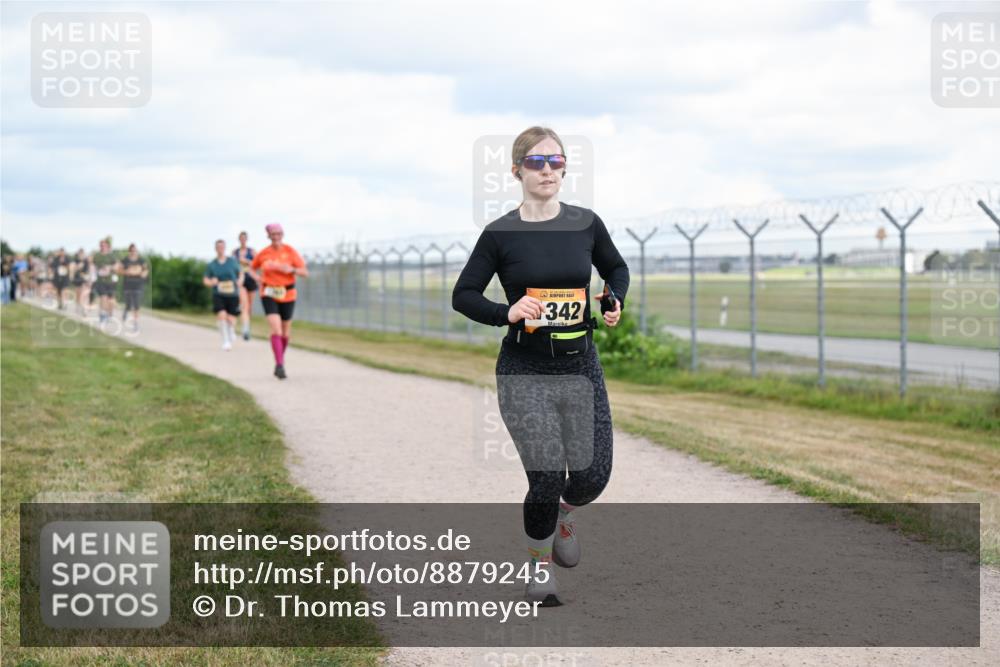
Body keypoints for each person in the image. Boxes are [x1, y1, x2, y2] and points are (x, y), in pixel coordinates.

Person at [452, 126, 629, 607]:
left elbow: (616, 269)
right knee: (547, 475)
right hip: (523, 370)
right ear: (517, 171)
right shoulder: (500, 233)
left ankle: (563, 515)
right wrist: (505, 311)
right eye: (536, 161)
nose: (548, 169)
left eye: (556, 161)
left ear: (565, 168)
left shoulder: (586, 224)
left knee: (592, 477)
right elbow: (463, 295)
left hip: (581, 366)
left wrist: (613, 298)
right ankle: (539, 568)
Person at [250, 223, 308, 379]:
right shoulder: (263, 253)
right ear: (268, 236)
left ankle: (279, 359)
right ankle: (280, 364)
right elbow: (252, 268)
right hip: (268, 292)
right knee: (277, 330)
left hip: (288, 293)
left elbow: (304, 272)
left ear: (282, 234)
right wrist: (257, 278)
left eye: (279, 233)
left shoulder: (290, 251)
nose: (276, 237)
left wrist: (292, 269)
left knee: (285, 332)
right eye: (273, 234)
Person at [204, 239, 242, 350]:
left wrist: (240, 281)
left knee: (231, 319)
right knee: (221, 316)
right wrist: (211, 282)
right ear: (215, 249)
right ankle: (226, 341)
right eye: (218, 247)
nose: (220, 249)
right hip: (218, 294)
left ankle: (231, 330)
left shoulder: (232, 262)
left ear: (225, 248)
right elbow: (206, 280)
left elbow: (241, 274)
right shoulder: (211, 265)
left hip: (232, 294)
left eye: (222, 247)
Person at [233, 231, 258, 340]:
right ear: (239, 239)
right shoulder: (235, 252)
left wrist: (246, 261)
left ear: (246, 239)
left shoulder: (252, 251)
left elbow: (257, 264)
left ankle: (248, 326)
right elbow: (232, 265)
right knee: (245, 305)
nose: (243, 240)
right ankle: (245, 330)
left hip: (251, 279)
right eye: (241, 238)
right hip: (241, 280)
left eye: (244, 238)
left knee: (249, 307)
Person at [119, 243, 148, 331]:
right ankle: (126, 310)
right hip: (127, 284)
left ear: (136, 251)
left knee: (136, 304)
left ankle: (135, 323)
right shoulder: (125, 260)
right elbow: (119, 270)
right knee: (128, 303)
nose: (133, 252)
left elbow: (145, 270)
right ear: (129, 251)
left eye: (135, 250)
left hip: (138, 284)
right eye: (131, 251)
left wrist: (143, 274)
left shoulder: (141, 260)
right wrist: (126, 272)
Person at [92, 239, 119, 323]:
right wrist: (92, 277)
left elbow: (117, 265)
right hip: (100, 280)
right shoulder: (97, 256)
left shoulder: (111, 256)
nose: (102, 247)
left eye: (104, 245)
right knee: (103, 297)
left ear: (107, 246)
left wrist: (110, 267)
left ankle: (109, 313)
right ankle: (103, 314)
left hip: (110, 281)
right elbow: (92, 266)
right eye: (101, 245)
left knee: (110, 300)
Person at [71, 249, 92, 315]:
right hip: (77, 278)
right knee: (78, 293)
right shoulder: (76, 261)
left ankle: (84, 309)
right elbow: (72, 269)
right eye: (80, 254)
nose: (81, 255)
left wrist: (89, 279)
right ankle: (77, 306)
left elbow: (88, 270)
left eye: (82, 254)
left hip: (84, 279)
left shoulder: (86, 261)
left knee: (84, 294)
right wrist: (78, 267)